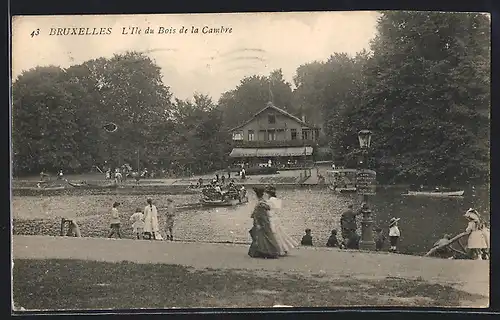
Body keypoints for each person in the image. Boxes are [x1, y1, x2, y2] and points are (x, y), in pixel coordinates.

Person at [264, 184, 297, 256]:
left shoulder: (269, 201)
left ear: (268, 193)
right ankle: (282, 248)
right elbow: (277, 210)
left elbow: (268, 211)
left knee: (273, 234)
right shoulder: (278, 200)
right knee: (279, 234)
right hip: (276, 218)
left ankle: (276, 249)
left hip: (271, 218)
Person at [248, 187, 280, 259]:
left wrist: (257, 222)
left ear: (257, 195)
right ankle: (265, 251)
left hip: (261, 221)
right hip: (265, 221)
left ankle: (264, 252)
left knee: (260, 236)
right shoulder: (263, 202)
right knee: (265, 236)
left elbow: (258, 214)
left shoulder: (260, 203)